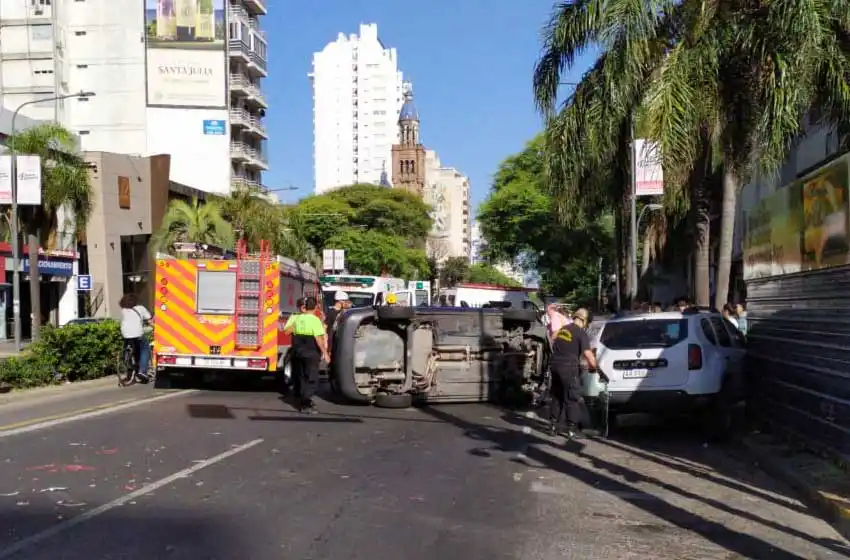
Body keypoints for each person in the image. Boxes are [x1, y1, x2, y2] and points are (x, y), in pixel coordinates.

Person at [548, 307, 597, 439]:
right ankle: (571, 430)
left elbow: (553, 338)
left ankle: (553, 426)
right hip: (568, 368)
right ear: (584, 320)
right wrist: (594, 366)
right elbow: (588, 353)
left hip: (555, 365)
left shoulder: (563, 329)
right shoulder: (581, 333)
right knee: (572, 398)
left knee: (557, 396)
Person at [285, 296, 330, 414]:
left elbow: (287, 331)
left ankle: (301, 399)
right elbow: (318, 338)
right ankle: (306, 402)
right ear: (315, 307)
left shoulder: (296, 318)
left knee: (301, 375)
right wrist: (325, 353)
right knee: (312, 377)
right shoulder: (315, 320)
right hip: (311, 350)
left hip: (297, 350)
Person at [119, 293, 152, 381]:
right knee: (145, 349)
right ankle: (142, 371)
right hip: (137, 334)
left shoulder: (123, 310)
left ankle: (128, 370)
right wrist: (152, 325)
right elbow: (149, 319)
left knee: (128, 350)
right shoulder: (141, 308)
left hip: (125, 334)